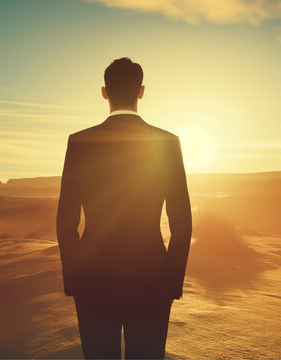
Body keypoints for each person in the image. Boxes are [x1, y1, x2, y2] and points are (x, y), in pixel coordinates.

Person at [56, 57, 192, 359]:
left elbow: (66, 221)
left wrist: (75, 280)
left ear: (104, 92)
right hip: (152, 281)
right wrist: (171, 283)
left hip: (93, 282)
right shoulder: (167, 142)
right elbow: (182, 223)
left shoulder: (80, 142)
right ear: (141, 91)